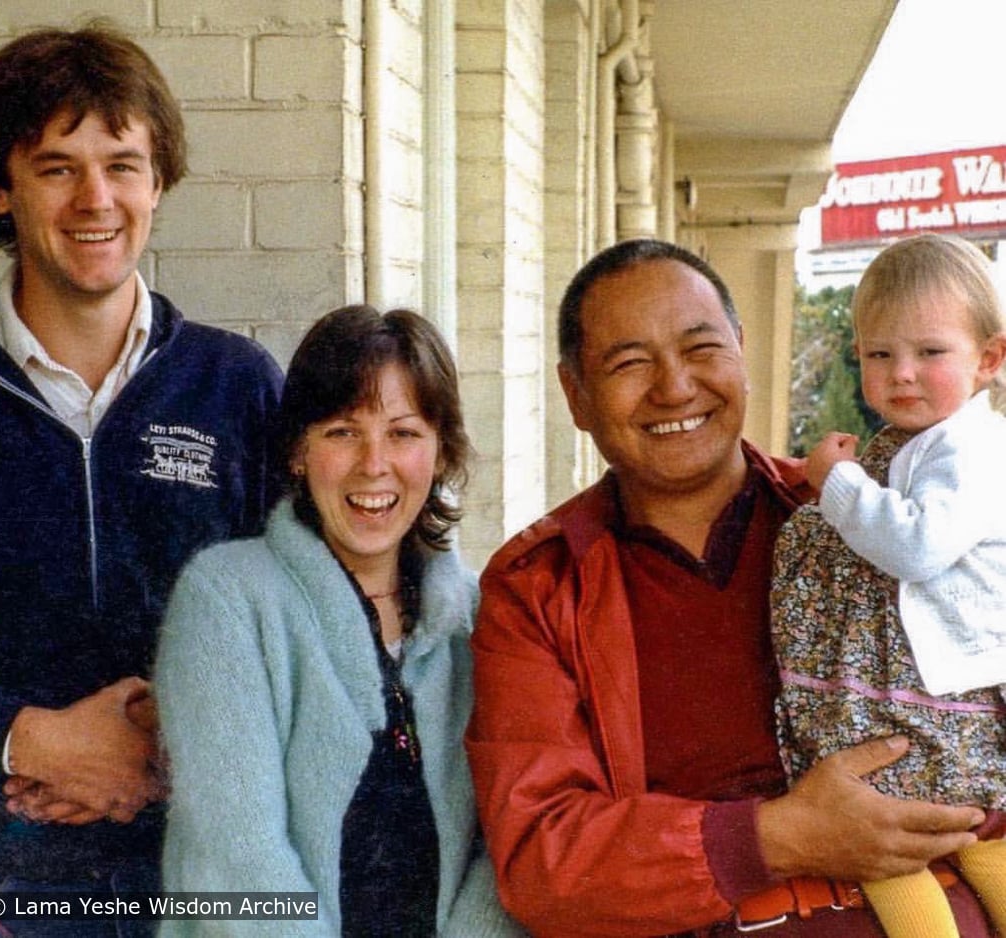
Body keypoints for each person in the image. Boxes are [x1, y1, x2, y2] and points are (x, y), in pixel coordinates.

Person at [465, 237, 1003, 937]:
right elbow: (546, 860)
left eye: (700, 349)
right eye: (629, 362)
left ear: (742, 353)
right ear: (576, 395)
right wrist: (776, 837)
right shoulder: (541, 587)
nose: (674, 387)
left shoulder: (848, 514)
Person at [0, 23, 283, 932]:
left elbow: (308, 617)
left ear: (158, 182)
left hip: (210, 884)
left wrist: (166, 737)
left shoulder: (239, 388)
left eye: (122, 164)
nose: (96, 199)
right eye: (56, 167)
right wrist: (24, 740)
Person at [155, 305, 524, 937]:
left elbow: (509, 849)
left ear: (440, 453)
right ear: (298, 451)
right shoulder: (228, 598)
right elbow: (236, 858)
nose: (374, 463)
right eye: (342, 432)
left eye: (404, 433)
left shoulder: (483, 618)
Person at [772, 233, 1006, 938]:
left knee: (887, 849)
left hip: (933, 710)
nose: (901, 374)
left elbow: (915, 544)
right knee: (978, 839)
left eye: (930, 353)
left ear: (989, 359)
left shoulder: (970, 449)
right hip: (932, 706)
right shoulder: (927, 441)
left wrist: (835, 483)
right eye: (879, 354)